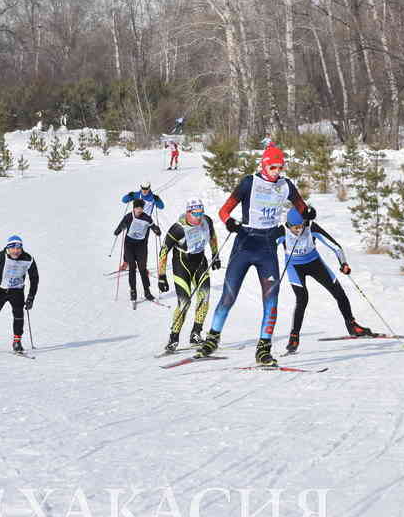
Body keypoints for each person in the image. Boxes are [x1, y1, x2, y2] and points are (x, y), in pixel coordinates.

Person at [198, 143, 316, 366]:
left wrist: (307, 212)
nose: (277, 172)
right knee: (228, 296)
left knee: (271, 299)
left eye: (280, 167)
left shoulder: (285, 185)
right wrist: (230, 222)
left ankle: (263, 349)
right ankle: (212, 338)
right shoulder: (249, 183)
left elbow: (301, 206)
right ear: (264, 165)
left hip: (268, 246)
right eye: (273, 167)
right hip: (245, 242)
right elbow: (223, 211)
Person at [275, 208, 372, 353]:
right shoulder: (281, 231)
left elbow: (335, 246)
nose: (300, 230)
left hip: (314, 263)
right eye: (296, 227)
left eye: (301, 225)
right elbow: (266, 248)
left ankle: (353, 326)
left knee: (339, 292)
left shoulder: (310, 226)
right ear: (289, 224)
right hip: (294, 267)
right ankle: (294, 337)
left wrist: (343, 263)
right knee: (302, 299)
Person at [158, 199, 221, 351]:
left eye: (201, 212)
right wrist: (161, 275)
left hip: (200, 261)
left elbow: (212, 236)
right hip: (182, 264)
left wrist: (215, 255)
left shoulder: (206, 221)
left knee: (204, 298)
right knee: (184, 302)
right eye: (195, 214)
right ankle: (174, 338)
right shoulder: (178, 229)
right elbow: (164, 250)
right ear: (188, 212)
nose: (198, 217)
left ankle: (196, 333)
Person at [114, 199, 161, 302]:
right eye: (137, 208)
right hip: (129, 245)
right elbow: (120, 226)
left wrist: (157, 231)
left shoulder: (147, 218)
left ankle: (147, 291)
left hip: (141, 246)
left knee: (142, 268)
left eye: (141, 208)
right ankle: (133, 291)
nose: (139, 210)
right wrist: (118, 230)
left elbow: (153, 227)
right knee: (132, 268)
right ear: (134, 208)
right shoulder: (129, 216)